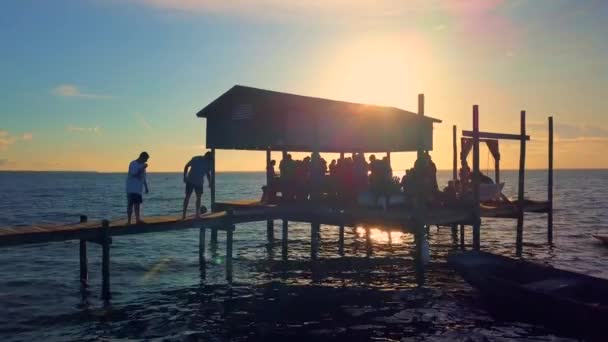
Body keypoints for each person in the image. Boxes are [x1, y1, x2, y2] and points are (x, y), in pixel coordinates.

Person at [182, 152, 212, 219]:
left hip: (197, 182)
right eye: (210, 158)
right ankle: (184, 214)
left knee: (197, 197)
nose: (210, 160)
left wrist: (210, 182)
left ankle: (196, 214)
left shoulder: (201, 160)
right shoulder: (196, 159)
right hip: (191, 181)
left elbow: (207, 173)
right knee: (188, 197)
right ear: (207, 157)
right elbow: (186, 166)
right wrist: (184, 176)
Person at [126, 152, 150, 225]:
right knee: (130, 204)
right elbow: (134, 174)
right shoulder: (133, 163)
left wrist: (146, 187)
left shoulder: (142, 165)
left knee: (137, 204)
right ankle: (129, 221)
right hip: (131, 187)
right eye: (145, 159)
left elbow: (143, 177)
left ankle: (137, 220)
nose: (146, 161)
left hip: (138, 189)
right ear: (142, 157)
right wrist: (142, 168)